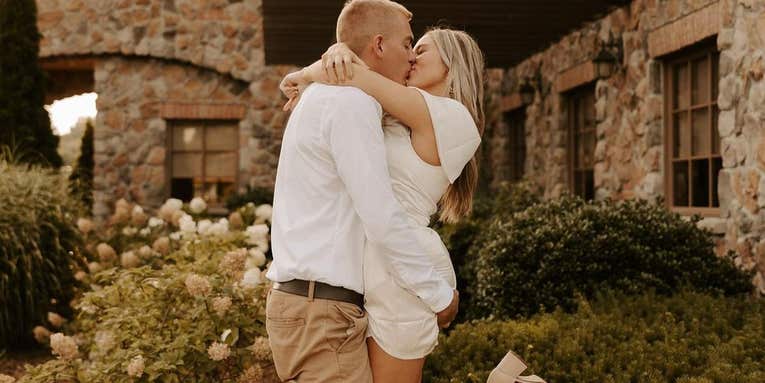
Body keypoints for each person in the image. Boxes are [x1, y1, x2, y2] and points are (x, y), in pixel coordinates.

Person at [279, 22, 484, 383]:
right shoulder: (392, 113)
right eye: (409, 47)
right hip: (368, 271)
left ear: (452, 63)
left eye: (420, 49)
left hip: (402, 273)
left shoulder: (455, 119)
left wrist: (314, 67)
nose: (410, 56)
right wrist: (330, 61)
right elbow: (354, 79)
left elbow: (358, 75)